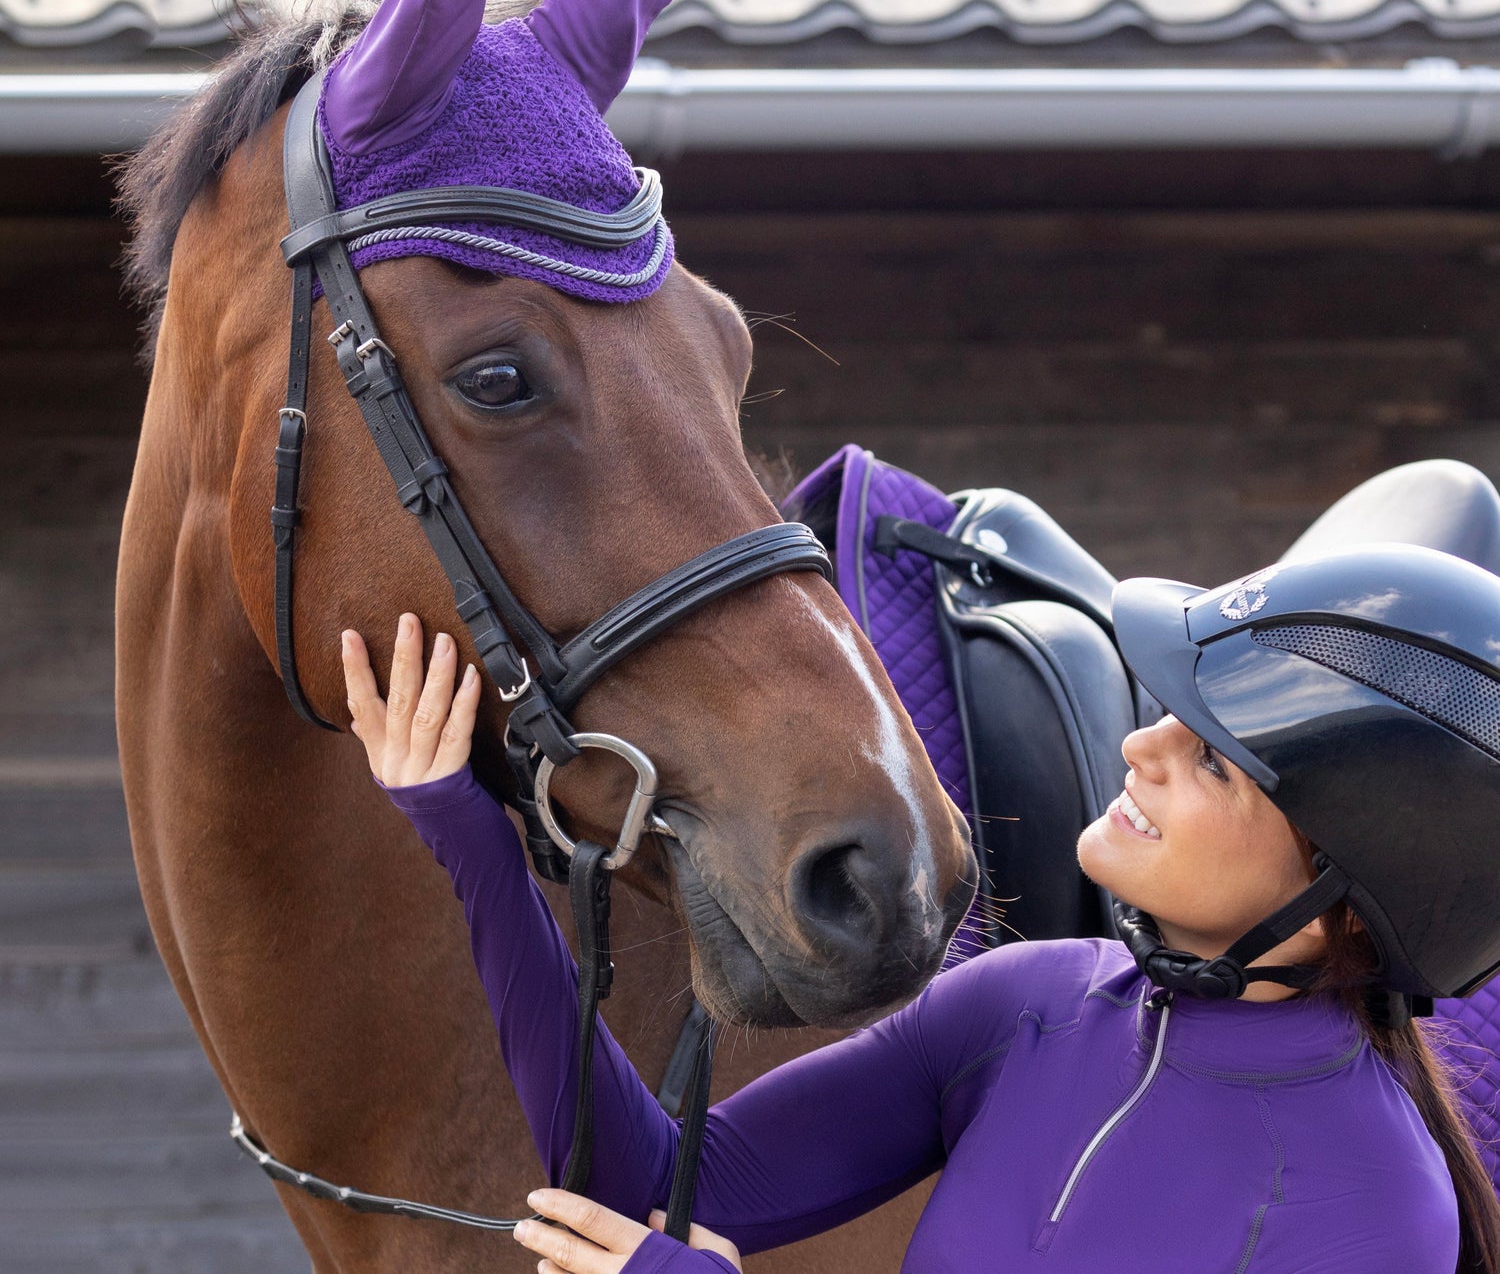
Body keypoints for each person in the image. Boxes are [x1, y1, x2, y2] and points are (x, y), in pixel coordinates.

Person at [343, 545, 1500, 1273]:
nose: (1142, 747)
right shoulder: (1031, 1004)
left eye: (1214, 762)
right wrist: (463, 829)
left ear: (1343, 905)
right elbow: (644, 1182)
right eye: (1169, 715)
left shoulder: (1379, 1215)